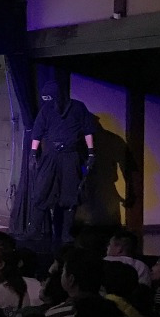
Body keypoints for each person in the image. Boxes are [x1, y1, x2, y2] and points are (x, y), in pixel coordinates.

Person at [28, 80, 95, 243]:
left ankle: (65, 234)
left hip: (71, 155)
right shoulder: (46, 110)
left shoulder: (78, 108)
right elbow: (37, 132)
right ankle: (34, 231)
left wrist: (91, 153)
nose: (50, 102)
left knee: (70, 194)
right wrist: (33, 153)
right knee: (42, 192)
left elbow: (88, 131)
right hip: (50, 155)